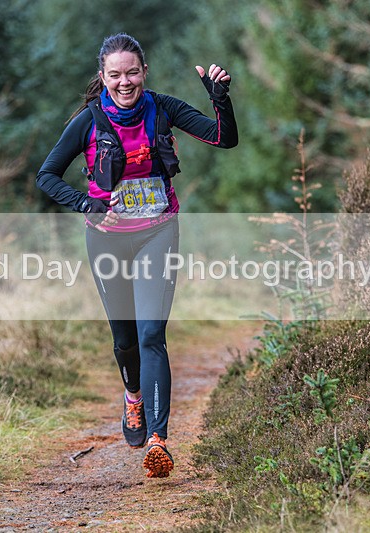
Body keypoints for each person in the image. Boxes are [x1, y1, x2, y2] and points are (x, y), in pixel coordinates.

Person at [36, 33, 237, 478]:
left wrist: (219, 99)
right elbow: (46, 176)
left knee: (151, 334)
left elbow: (224, 139)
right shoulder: (88, 121)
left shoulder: (163, 108)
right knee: (125, 339)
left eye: (132, 72)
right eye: (115, 75)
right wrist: (86, 204)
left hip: (158, 232)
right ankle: (132, 395)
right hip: (106, 239)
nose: (125, 82)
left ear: (144, 72)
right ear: (103, 77)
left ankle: (158, 440)